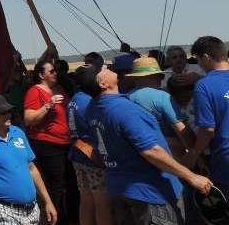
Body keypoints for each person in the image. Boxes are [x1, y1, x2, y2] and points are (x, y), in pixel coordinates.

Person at [77, 63, 212, 225]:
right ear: (103, 84)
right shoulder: (125, 110)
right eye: (103, 69)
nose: (107, 66)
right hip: (150, 194)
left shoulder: (93, 108)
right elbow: (151, 151)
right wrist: (192, 177)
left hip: (120, 189)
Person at [0, 94, 58, 225]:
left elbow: (31, 168)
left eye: (9, 111)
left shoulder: (18, 133)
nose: (8, 115)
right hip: (2, 210)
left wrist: (48, 202)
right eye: (2, 112)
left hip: (32, 210)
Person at [24, 58, 71, 225]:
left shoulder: (58, 88)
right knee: (54, 185)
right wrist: (47, 106)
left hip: (65, 143)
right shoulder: (35, 91)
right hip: (47, 144)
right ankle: (52, 219)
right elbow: (29, 119)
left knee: (64, 184)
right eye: (51, 71)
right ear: (41, 75)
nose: (55, 73)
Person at [67, 66, 112, 225]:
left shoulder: (74, 100)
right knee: (102, 202)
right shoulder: (88, 101)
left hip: (78, 154)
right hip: (91, 155)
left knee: (86, 199)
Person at [186, 36, 229, 198]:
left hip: (224, 160)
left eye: (198, 60)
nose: (200, 65)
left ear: (206, 57)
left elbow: (207, 129)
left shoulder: (204, 86)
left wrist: (194, 153)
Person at [125, 56, 193, 155]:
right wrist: (196, 154)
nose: (161, 79)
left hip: (136, 154)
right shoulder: (162, 97)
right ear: (153, 76)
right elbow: (183, 132)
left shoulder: (126, 98)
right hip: (167, 154)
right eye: (160, 76)